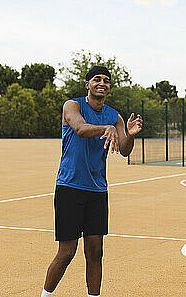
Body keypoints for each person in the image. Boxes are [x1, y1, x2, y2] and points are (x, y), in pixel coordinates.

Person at [41, 65, 143, 297]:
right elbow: (79, 128)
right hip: (70, 187)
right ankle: (45, 295)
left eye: (106, 80)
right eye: (97, 79)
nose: (102, 83)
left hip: (97, 190)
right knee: (67, 251)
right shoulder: (73, 105)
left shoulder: (113, 115)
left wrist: (129, 134)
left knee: (95, 251)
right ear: (87, 84)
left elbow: (125, 150)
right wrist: (106, 129)